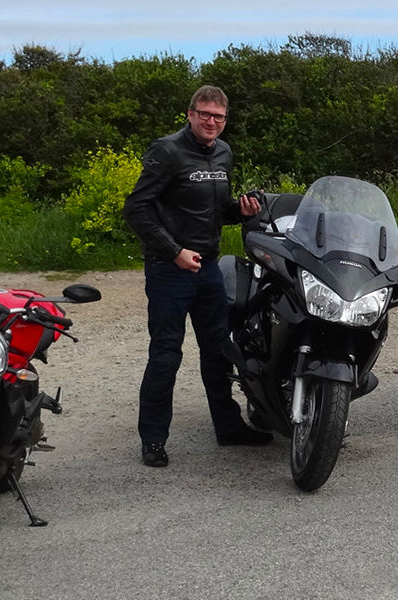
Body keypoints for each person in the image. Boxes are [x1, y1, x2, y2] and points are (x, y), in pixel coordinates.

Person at [122, 85, 273, 468]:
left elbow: (216, 210)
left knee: (219, 351)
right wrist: (173, 251)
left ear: (225, 120)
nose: (211, 122)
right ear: (189, 114)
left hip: (207, 269)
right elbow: (136, 209)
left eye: (218, 117)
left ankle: (229, 427)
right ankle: (153, 440)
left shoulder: (223, 153)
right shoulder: (167, 150)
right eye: (204, 114)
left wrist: (240, 210)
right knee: (166, 355)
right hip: (169, 270)